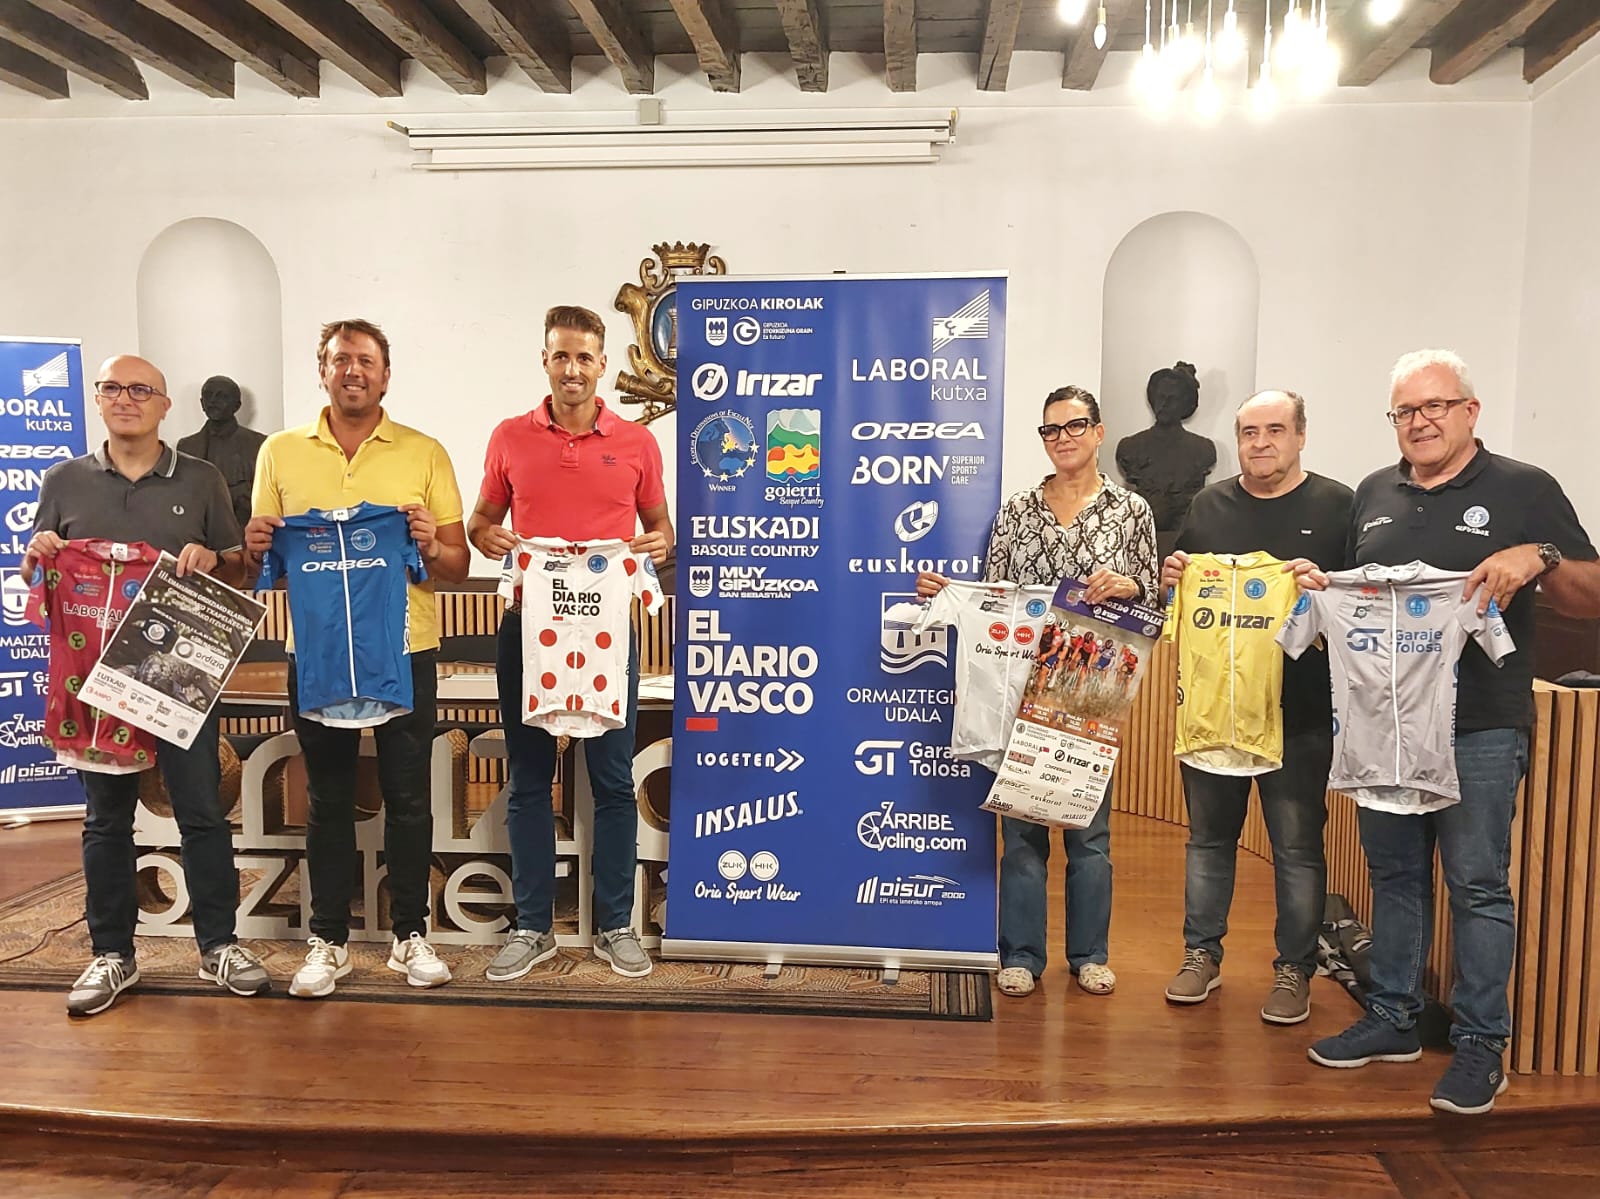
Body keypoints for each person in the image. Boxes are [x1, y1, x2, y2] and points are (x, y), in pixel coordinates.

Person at [1298, 350, 1600, 1115]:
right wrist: (1321, 592)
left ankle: (1480, 1044)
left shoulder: (1525, 488)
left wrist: (1539, 555)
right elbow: (1353, 592)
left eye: (1435, 405)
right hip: (1383, 729)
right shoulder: (1373, 493)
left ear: (1470, 410)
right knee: (1394, 876)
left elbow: (1591, 593)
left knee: (1477, 883)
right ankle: (1393, 1016)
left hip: (1481, 726)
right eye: (1405, 410)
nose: (1420, 421)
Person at [24, 354, 269, 1016]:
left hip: (181, 673)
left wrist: (213, 557)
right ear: (98, 399)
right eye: (112, 388)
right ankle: (113, 952)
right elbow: (35, 575)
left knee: (201, 811)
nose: (125, 398)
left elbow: (239, 568)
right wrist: (35, 557)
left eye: (140, 389)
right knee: (106, 818)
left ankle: (219, 944)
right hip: (96, 680)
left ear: (164, 405)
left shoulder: (202, 477)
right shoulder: (64, 481)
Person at [244, 319, 470, 998]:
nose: (353, 371)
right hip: (316, 655)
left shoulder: (424, 452)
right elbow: (263, 565)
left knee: (408, 797)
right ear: (322, 370)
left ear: (385, 374)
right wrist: (255, 545)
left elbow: (457, 566)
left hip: (406, 650)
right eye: (341, 359)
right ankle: (329, 939)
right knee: (327, 798)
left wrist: (430, 543)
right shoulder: (280, 452)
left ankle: (410, 933)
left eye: (366, 361)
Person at [917, 385, 1158, 999]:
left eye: (1075, 426)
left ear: (1099, 431)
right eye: (1051, 429)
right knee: (1022, 832)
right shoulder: (1018, 511)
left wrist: (1129, 585)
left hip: (1090, 689)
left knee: (1089, 834)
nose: (1063, 438)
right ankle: (1021, 954)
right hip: (1018, 690)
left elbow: (1153, 592)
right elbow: (993, 597)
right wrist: (949, 594)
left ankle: (1090, 955)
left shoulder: (1132, 511)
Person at [466, 305, 673, 981]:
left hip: (608, 631)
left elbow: (662, 530)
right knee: (530, 778)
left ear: (602, 364)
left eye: (585, 357)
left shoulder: (637, 443)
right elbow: (479, 521)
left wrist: (656, 545)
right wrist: (487, 536)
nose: (573, 368)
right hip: (530, 625)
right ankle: (532, 927)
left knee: (611, 779)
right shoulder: (509, 437)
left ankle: (615, 924)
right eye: (561, 355)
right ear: (545, 360)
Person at [1157, 390, 1353, 1025]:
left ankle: (1295, 968)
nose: (1261, 442)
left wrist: (1326, 589)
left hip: (1300, 713)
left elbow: (1360, 606)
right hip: (1214, 713)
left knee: (1297, 848)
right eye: (1249, 432)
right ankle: (1201, 955)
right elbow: (1177, 595)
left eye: (1275, 430)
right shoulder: (1209, 505)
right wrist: (1172, 578)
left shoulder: (1338, 506)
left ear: (1300, 435)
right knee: (1208, 841)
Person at [1115, 361, 1217, 548]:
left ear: (1184, 404)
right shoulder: (1130, 447)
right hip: (1140, 543)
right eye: (1161, 397)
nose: (1164, 404)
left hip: (1187, 545)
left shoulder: (1203, 449)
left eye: (1172, 399)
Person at [177, 375, 266, 531]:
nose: (213, 401)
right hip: (199, 533)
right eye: (208, 395)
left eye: (221, 396)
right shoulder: (186, 446)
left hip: (244, 532)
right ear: (201, 402)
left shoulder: (259, 444)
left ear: (237, 405)